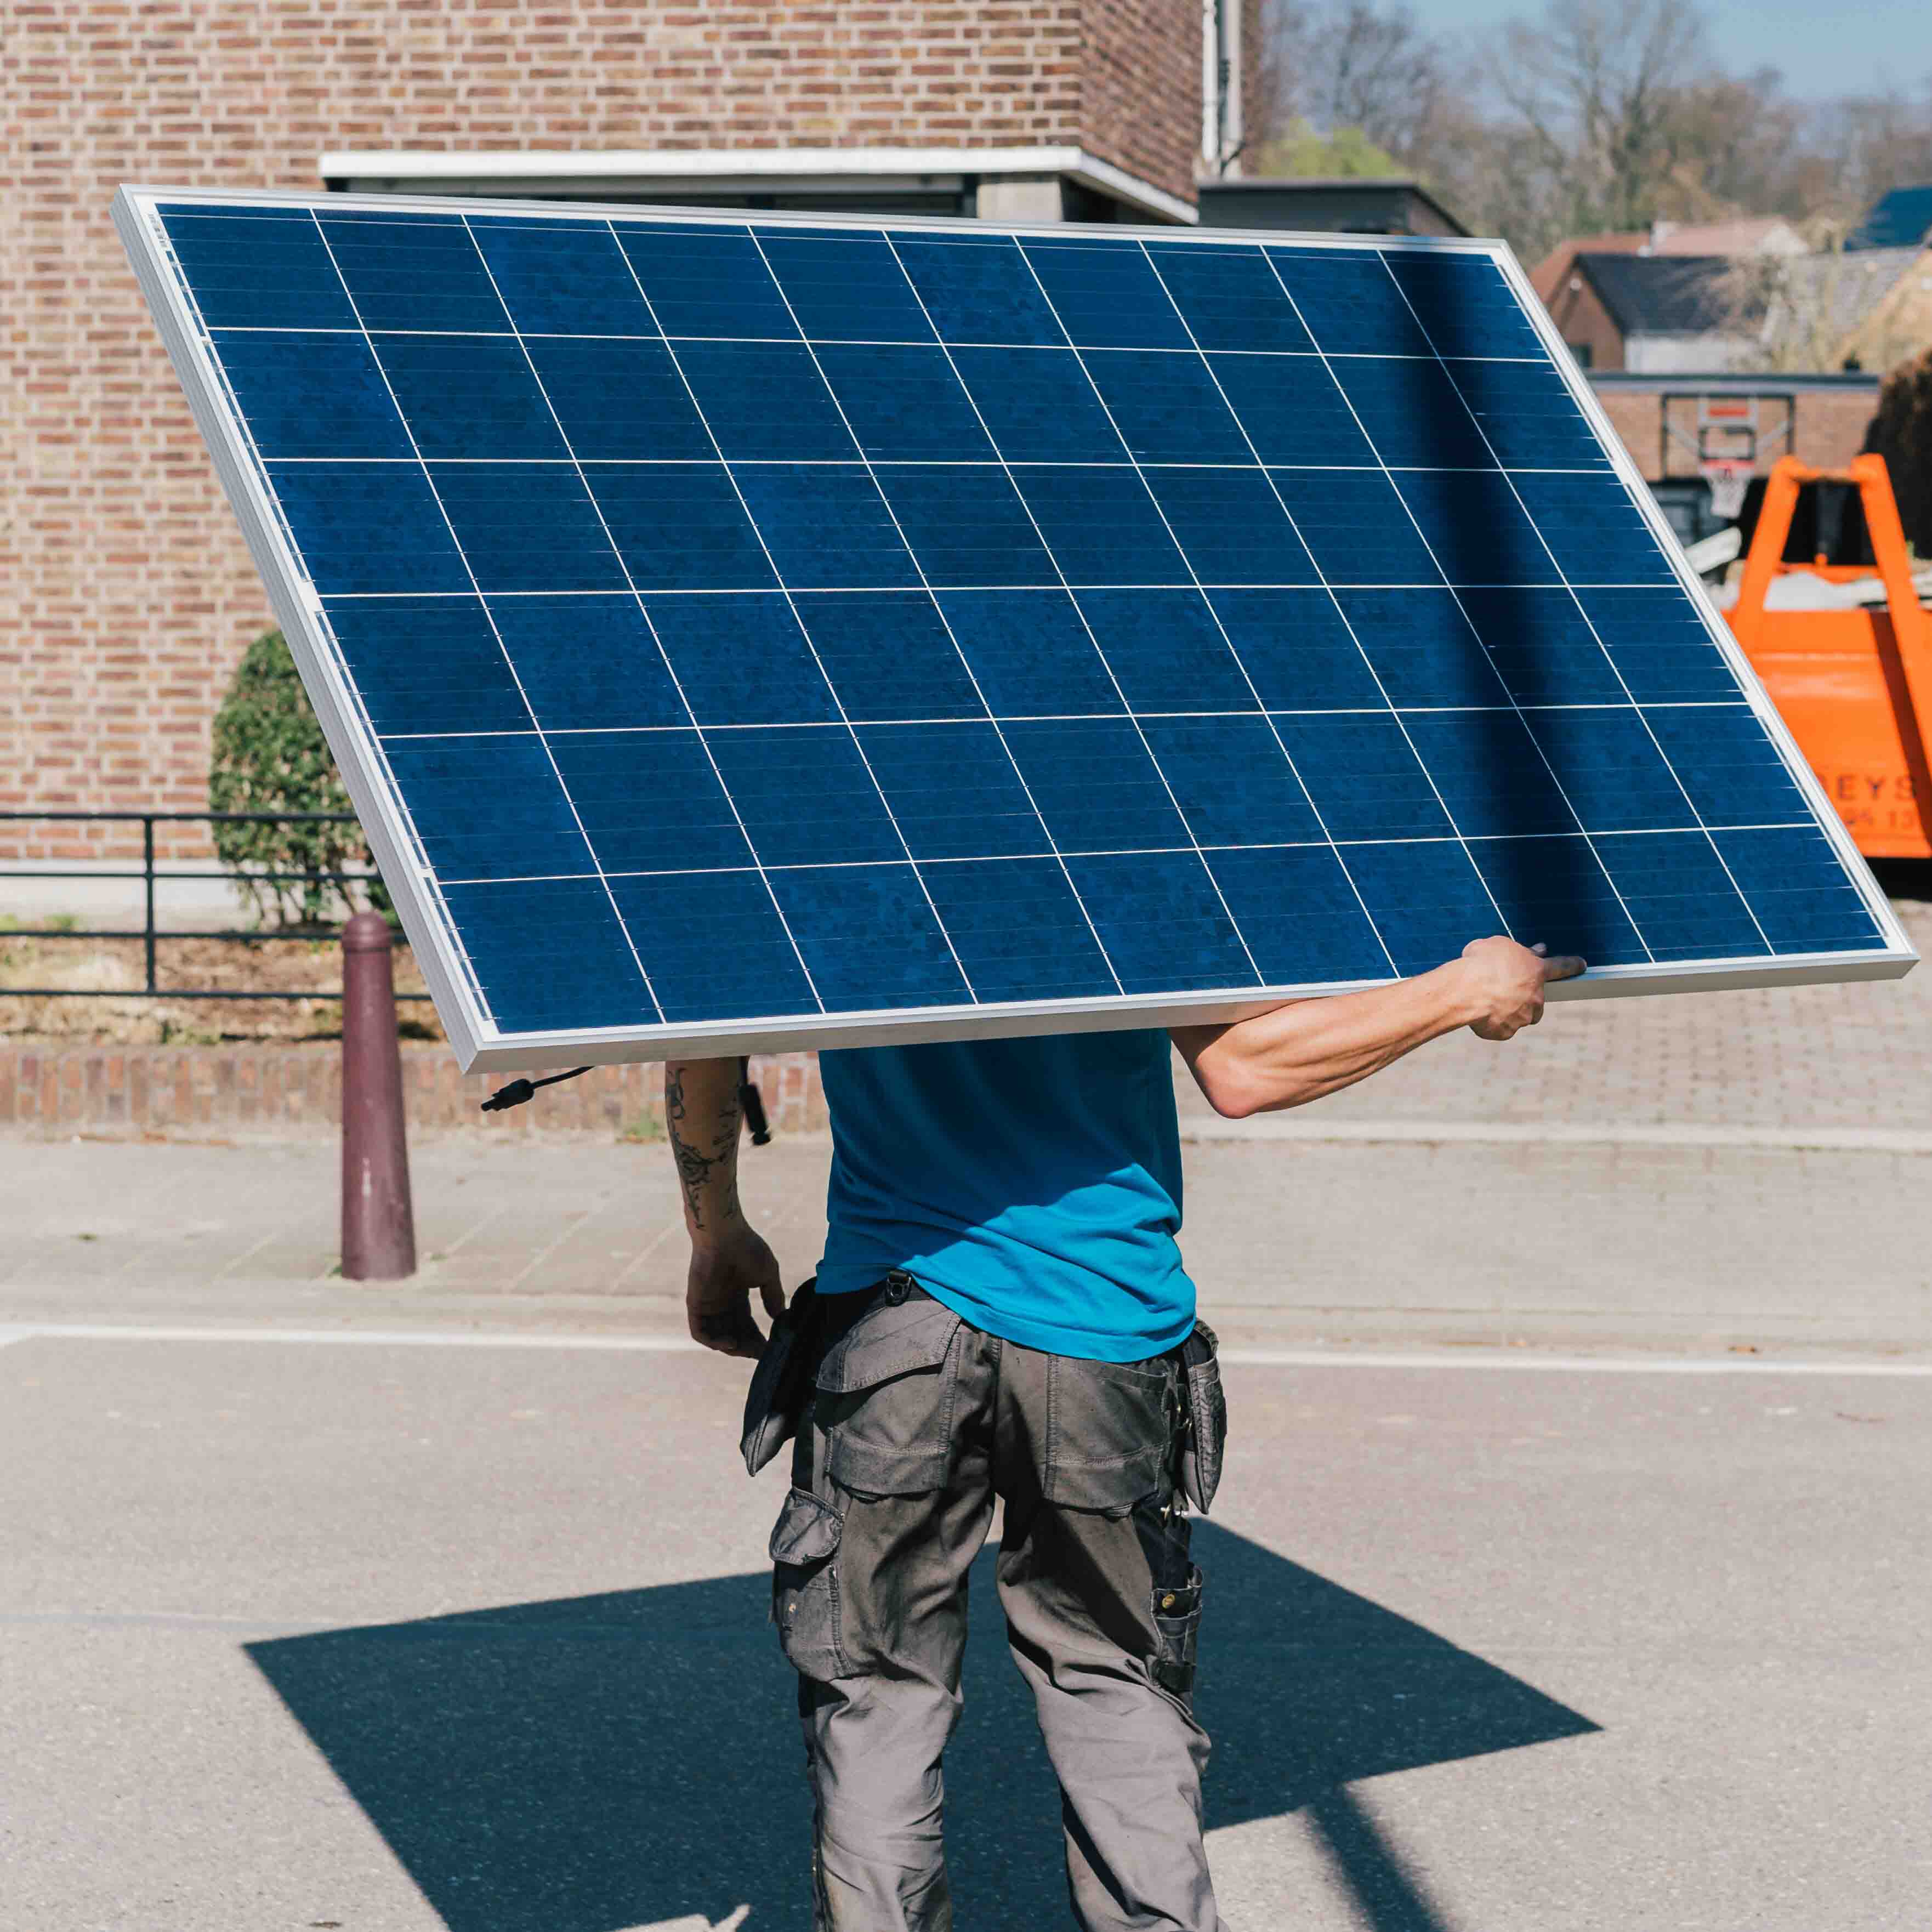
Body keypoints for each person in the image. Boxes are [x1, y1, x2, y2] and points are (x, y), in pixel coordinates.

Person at [667, 933, 1583, 1932]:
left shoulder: (819, 837)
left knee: (879, 1695)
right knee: (1114, 1680)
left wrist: (717, 1234)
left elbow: (704, 1044)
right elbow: (1244, 1067)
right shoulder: (1121, 824)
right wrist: (1460, 991)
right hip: (1100, 1327)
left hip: (891, 1333)